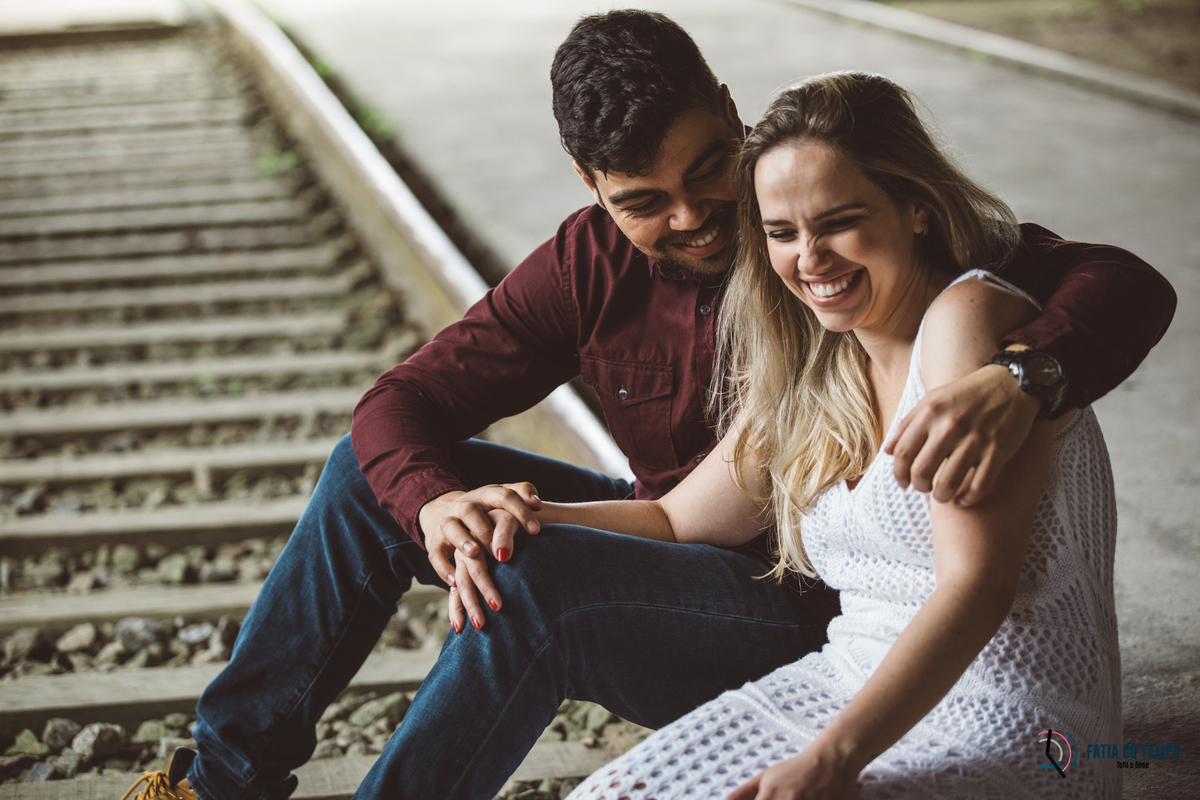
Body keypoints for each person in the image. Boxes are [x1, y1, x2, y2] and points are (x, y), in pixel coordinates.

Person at [122, 10, 1170, 800]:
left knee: (537, 588)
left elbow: (1115, 281)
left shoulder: (826, 212)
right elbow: (410, 406)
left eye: (712, 170)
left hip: (807, 607)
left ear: (730, 110)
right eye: (643, 201)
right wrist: (461, 511)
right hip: (686, 548)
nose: (698, 217)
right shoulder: (607, 270)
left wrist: (1024, 376)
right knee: (383, 480)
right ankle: (220, 780)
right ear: (590, 184)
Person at [547, 70, 1121, 800]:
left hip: (1015, 723)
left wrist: (833, 760)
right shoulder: (821, 364)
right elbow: (672, 518)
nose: (809, 260)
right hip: (841, 687)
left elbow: (977, 585)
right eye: (782, 233)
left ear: (914, 206)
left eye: (838, 221)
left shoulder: (966, 319)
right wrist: (524, 515)